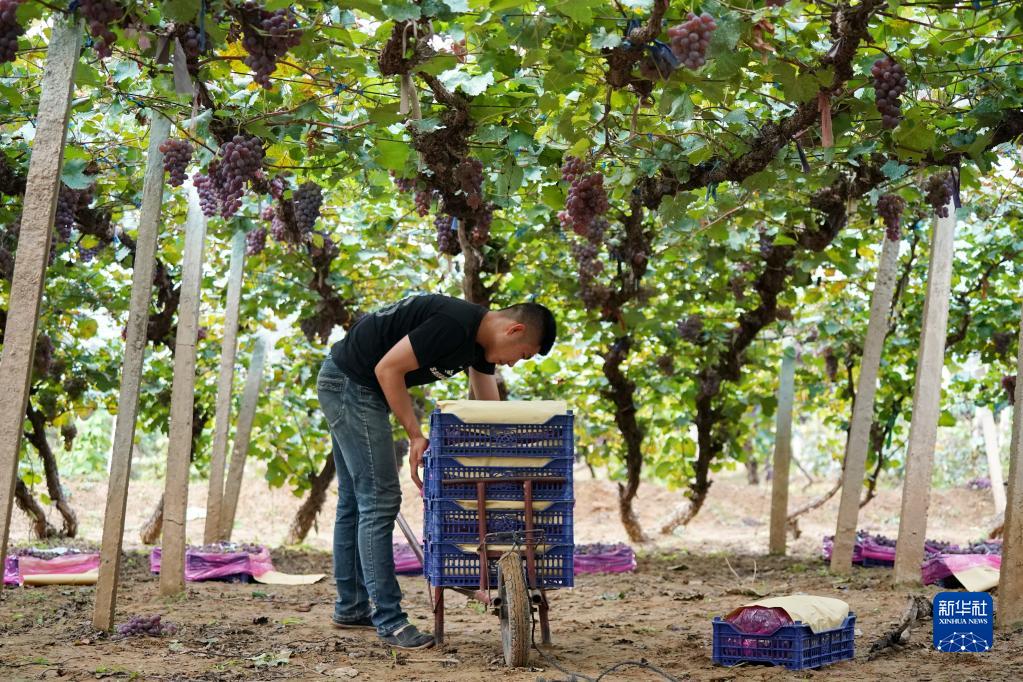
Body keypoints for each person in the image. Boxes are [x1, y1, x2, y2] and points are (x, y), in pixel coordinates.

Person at [317, 293, 557, 649]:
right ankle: (391, 622)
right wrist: (415, 435)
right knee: (380, 501)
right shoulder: (455, 324)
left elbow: (491, 409)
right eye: (522, 355)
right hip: (352, 385)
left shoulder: (478, 344)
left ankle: (351, 607)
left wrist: (509, 455)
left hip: (351, 383)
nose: (515, 364)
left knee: (356, 502)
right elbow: (387, 369)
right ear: (514, 329)